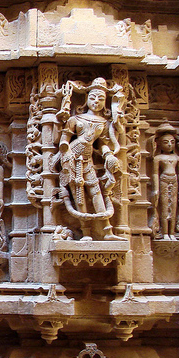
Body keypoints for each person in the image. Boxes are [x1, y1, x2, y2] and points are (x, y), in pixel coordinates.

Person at [55, 77, 124, 241]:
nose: (96, 102)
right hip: (72, 155)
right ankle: (86, 233)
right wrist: (66, 151)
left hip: (88, 158)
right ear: (87, 99)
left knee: (95, 191)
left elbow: (103, 144)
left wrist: (108, 155)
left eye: (101, 99)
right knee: (78, 191)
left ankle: (108, 232)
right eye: (93, 98)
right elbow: (64, 139)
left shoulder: (104, 123)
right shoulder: (75, 119)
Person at [150, 123, 179, 240]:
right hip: (164, 181)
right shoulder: (158, 158)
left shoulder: (178, 159)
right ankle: (165, 233)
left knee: (174, 208)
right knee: (164, 207)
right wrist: (155, 190)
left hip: (174, 181)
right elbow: (155, 173)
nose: (170, 144)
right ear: (159, 144)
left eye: (172, 142)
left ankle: (172, 233)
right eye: (166, 142)